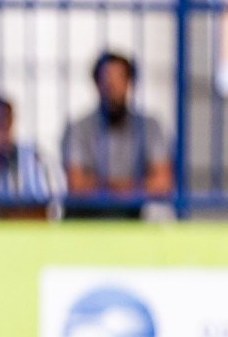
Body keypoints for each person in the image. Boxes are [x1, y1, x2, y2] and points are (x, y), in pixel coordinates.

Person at [62, 51, 172, 217]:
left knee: (161, 213)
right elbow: (76, 185)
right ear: (96, 84)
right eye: (105, 79)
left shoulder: (150, 127)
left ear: (130, 83)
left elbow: (162, 183)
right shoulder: (78, 128)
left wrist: (104, 187)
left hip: (135, 212)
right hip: (89, 214)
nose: (111, 86)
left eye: (119, 78)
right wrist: (133, 188)